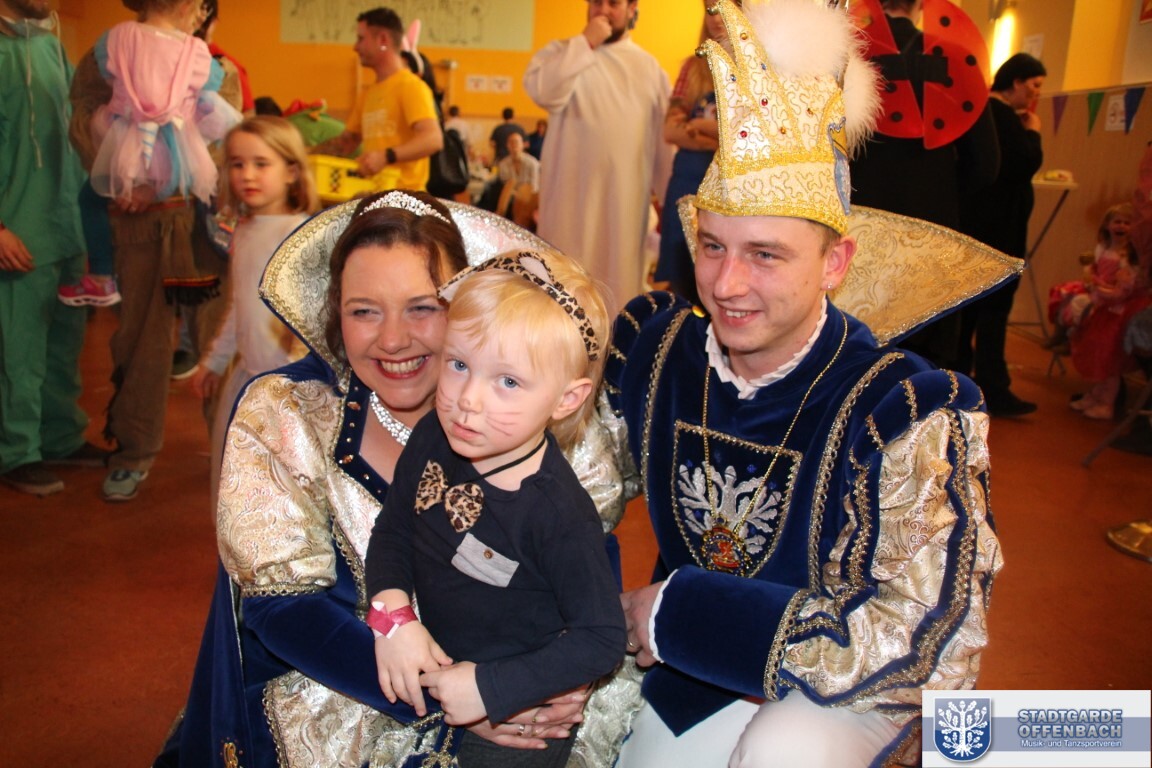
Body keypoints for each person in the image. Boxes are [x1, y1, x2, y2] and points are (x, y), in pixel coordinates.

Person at [603, 2, 1003, 766]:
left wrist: (682, 616)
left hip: (838, 686)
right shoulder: (656, 354)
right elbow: (567, 493)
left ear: (835, 263)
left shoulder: (901, 410)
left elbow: (929, 641)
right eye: (712, 246)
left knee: (785, 753)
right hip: (674, 667)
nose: (726, 284)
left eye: (766, 254)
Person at [152, 191, 642, 768]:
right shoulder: (287, 415)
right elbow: (280, 610)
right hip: (352, 691)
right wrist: (439, 692)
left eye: (422, 308)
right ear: (335, 313)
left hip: (518, 687)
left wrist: (544, 688)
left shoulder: (540, 414)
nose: (392, 340)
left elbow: (589, 580)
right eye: (364, 311)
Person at [365, 249, 625, 767]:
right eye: (459, 365)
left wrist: (491, 688)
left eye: (507, 382)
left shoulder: (558, 513)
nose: (468, 400)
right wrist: (392, 619)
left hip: (518, 718)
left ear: (567, 399)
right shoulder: (433, 436)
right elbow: (393, 530)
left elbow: (601, 638)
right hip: (433, 670)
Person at [67, 0, 241, 502]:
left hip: (203, 226)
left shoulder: (213, 66)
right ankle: (134, 451)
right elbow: (82, 119)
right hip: (138, 225)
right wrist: (124, 177)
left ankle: (234, 452)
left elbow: (229, 143)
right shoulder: (111, 52)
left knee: (217, 340)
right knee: (141, 338)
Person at [849, 0, 1000, 367]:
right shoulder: (956, 59)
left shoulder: (848, 54)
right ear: (921, 4)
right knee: (927, 354)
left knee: (856, 347)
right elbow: (986, 164)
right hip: (934, 227)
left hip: (862, 224)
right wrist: (942, 194)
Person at [0, 0, 109, 497]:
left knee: (64, 347)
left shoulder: (49, 46)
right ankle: (16, 451)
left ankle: (60, 436)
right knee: (16, 354)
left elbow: (76, 133)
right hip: (18, 231)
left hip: (65, 225)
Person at [188, 116, 320, 506]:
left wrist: (293, 379)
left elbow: (314, 317)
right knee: (241, 484)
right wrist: (214, 362)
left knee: (283, 491)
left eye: (261, 164)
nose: (247, 174)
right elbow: (239, 307)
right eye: (237, 163)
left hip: (290, 387)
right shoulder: (244, 231)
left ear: (291, 171)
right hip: (248, 378)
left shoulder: (302, 233)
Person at [524, 0, 671, 314]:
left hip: (623, 208)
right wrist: (585, 43)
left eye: (613, 3)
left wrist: (671, 204)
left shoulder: (649, 69)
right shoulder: (562, 53)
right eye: (595, 2)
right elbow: (543, 92)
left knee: (616, 297)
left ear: (632, 9)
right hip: (568, 203)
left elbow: (663, 145)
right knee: (560, 292)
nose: (602, 9)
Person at [956, 52, 1047, 417]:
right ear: (1016, 81)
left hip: (976, 226)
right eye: (1034, 85)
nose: (1036, 93)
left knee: (967, 310)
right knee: (994, 311)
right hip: (1000, 231)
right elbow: (1024, 163)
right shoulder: (1004, 117)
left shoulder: (978, 112)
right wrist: (1034, 131)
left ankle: (961, 379)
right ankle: (994, 386)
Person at [313, 7, 442, 193]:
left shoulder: (411, 86)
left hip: (406, 200)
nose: (355, 47)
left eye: (361, 38)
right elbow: (347, 142)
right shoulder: (368, 94)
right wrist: (300, 156)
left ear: (382, 40)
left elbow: (433, 139)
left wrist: (386, 156)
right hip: (377, 195)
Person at [653, 0, 730, 306]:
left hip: (729, 184)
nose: (715, 18)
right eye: (709, 9)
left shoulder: (755, 70)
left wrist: (699, 126)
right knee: (680, 273)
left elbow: (754, 137)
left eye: (723, 7)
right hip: (687, 180)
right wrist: (720, 135)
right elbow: (671, 131)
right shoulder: (692, 67)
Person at [1064, 203, 1150, 420]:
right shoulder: (1106, 250)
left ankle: (1106, 402)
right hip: (1106, 307)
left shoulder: (1128, 262)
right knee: (1098, 354)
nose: (1122, 226)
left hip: (1117, 311)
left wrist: (1098, 289)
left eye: (1127, 222)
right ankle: (1096, 395)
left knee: (1108, 360)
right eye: (1117, 221)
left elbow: (1122, 292)